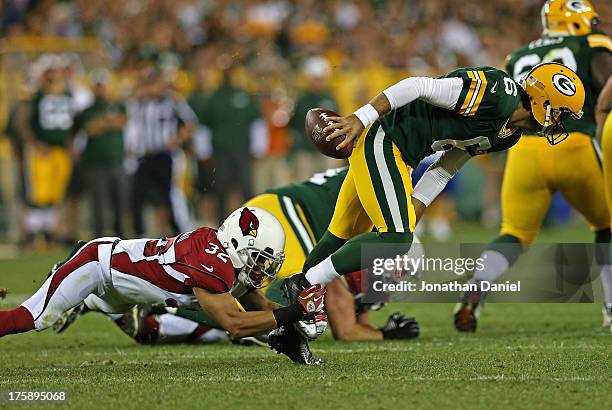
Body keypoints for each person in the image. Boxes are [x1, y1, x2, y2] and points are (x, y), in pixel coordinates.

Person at [280, 61, 586, 314]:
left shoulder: (509, 135)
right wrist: (360, 118)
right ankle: (306, 284)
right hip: (385, 138)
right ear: (542, 100)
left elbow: (446, 167)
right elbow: (417, 86)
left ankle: (286, 310)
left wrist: (418, 206)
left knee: (340, 235)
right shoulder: (497, 93)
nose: (559, 123)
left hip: (404, 155)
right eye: (560, 113)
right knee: (396, 239)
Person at [90, 168, 419, 343]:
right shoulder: (390, 202)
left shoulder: (387, 181)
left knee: (268, 311)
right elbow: (345, 328)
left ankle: (147, 298)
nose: (390, 281)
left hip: (280, 214)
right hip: (289, 225)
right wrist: (386, 334)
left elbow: (350, 300)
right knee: (267, 323)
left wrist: (368, 318)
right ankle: (152, 317)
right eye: (393, 268)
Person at [454, 0, 612, 332]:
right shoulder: (590, 44)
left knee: (514, 233)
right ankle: (611, 308)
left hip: (524, 150)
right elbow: (605, 85)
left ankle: (479, 282)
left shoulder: (518, 56)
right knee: (607, 226)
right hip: (575, 144)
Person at [0, 206, 326, 365]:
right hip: (98, 266)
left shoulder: (225, 257)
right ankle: (73, 282)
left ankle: (88, 301)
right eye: (259, 258)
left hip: (122, 290)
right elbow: (236, 325)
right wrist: (296, 310)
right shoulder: (212, 264)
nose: (263, 269)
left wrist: (299, 319)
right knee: (32, 318)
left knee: (125, 314)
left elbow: (264, 310)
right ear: (238, 245)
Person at [13, 54, 76, 247]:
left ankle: (50, 232)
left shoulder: (67, 93)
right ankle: (34, 234)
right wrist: (34, 143)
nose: (54, 75)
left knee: (55, 195)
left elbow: (72, 123)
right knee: (39, 194)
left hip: (60, 152)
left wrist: (70, 142)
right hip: (43, 151)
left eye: (56, 71)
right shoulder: (35, 94)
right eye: (50, 71)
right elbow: (21, 121)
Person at [74, 70, 127, 237]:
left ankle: (121, 239)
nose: (101, 89)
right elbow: (90, 129)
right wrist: (108, 122)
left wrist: (102, 123)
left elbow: (121, 122)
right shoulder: (87, 110)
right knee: (98, 205)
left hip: (116, 161)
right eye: (98, 86)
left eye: (103, 85)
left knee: (120, 202)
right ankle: (99, 240)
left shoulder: (119, 105)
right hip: (95, 163)